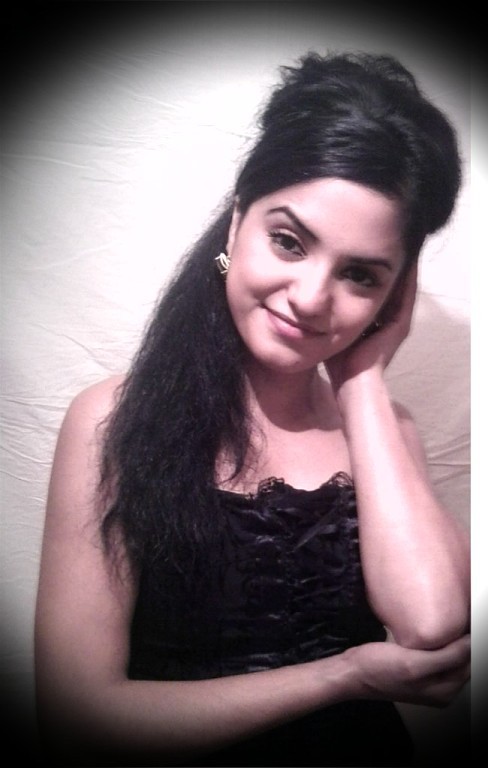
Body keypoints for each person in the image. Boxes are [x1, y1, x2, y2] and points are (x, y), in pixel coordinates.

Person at [35, 51, 470, 767]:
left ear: (392, 297)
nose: (311, 297)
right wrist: (341, 677)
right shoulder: (111, 422)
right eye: (289, 241)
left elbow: (432, 629)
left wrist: (362, 380)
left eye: (360, 276)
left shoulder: (388, 435)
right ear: (237, 222)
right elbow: (79, 716)